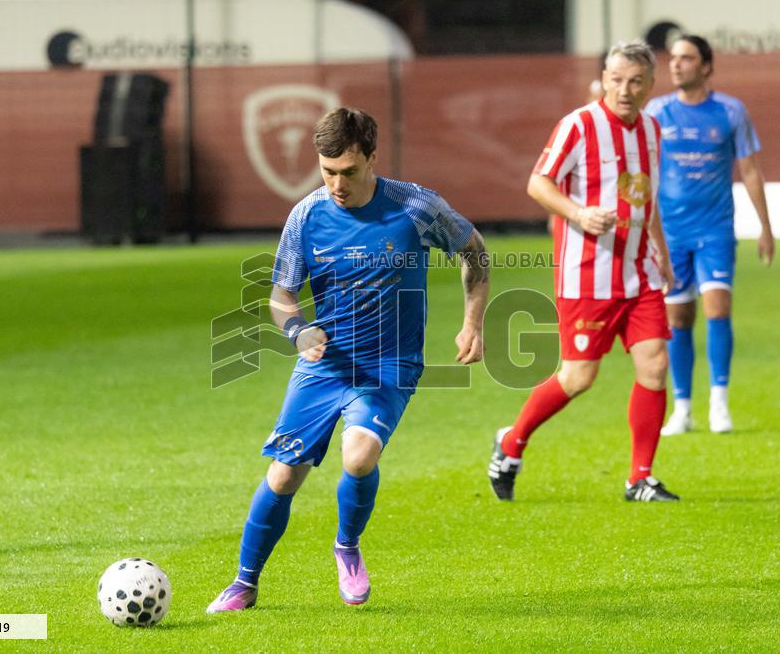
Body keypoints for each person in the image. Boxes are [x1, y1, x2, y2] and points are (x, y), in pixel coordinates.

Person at [207, 107, 489, 612]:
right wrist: (297, 331)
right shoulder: (306, 215)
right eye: (327, 171)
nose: (337, 184)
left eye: (349, 171)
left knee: (359, 456)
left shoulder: (416, 207)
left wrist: (473, 323)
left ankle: (347, 546)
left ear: (373, 158)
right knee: (284, 475)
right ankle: (244, 583)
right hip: (325, 363)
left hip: (389, 363)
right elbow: (281, 295)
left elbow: (475, 251)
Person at [488, 39, 680, 503]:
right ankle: (511, 443)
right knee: (578, 377)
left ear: (650, 85)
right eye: (616, 80)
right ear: (604, 80)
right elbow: (538, 182)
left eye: (635, 82)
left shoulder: (652, 130)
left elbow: (646, 199)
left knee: (655, 365)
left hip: (640, 272)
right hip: (587, 275)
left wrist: (662, 252)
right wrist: (578, 213)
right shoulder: (578, 125)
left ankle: (640, 478)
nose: (625, 90)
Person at [645, 35, 775, 435]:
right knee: (678, 318)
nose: (676, 64)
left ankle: (719, 403)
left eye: (686, 58)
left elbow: (750, 171)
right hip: (671, 233)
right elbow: (644, 172)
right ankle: (682, 408)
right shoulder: (657, 112)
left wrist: (765, 227)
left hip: (715, 228)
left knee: (718, 309)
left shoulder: (731, 111)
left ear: (706, 66)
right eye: (673, 58)